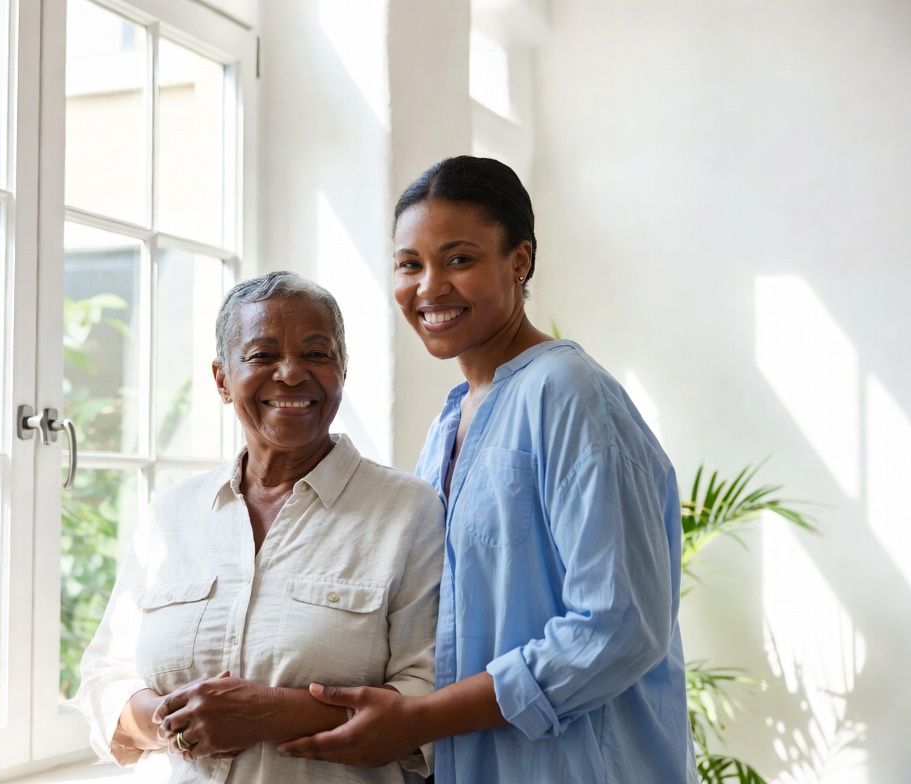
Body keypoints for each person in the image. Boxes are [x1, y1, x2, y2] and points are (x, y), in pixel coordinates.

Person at [278, 156, 699, 783]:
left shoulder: (570, 394)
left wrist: (420, 720)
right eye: (409, 264)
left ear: (520, 261)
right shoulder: (450, 421)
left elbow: (618, 627)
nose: (428, 288)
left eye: (459, 259)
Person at [75, 271, 443, 783]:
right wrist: (178, 727)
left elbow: (428, 703)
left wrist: (271, 712)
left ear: (341, 370)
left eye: (317, 354)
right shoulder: (172, 513)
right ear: (222, 379)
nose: (291, 374)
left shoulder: (408, 510)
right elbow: (104, 678)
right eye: (262, 355)